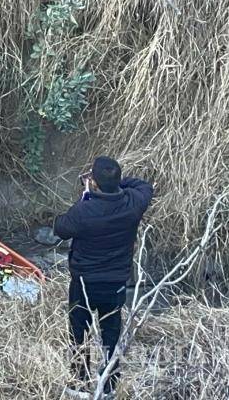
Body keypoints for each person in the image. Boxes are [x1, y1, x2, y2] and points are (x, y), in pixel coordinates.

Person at [53, 156, 154, 398]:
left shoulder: (83, 210)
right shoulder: (133, 203)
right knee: (111, 331)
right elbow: (144, 186)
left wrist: (87, 194)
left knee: (79, 333)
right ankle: (109, 384)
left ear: (93, 182)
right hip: (116, 284)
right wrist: (115, 182)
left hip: (85, 284)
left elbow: (60, 228)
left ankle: (79, 382)